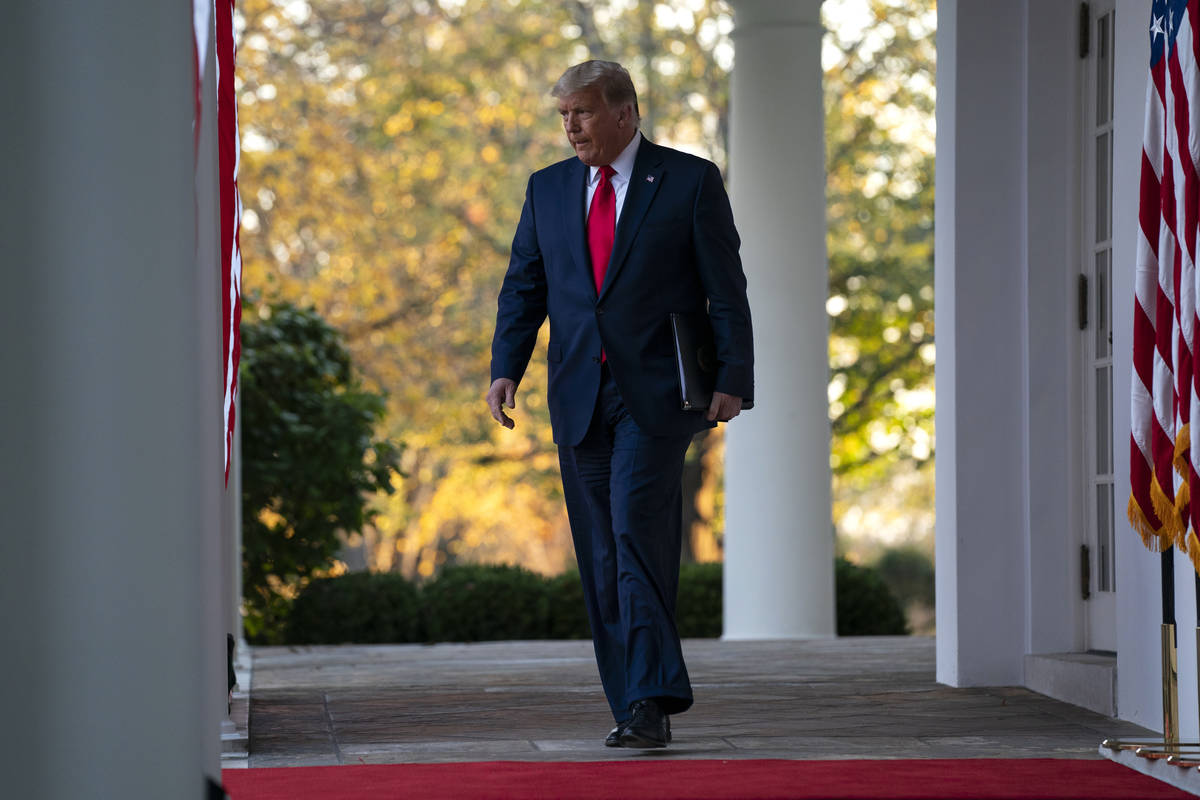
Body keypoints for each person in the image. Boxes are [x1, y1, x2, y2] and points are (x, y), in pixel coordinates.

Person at [485, 60, 753, 748]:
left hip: (656, 394)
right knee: (601, 553)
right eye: (563, 116)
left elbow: (725, 287)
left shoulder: (689, 181)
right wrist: (505, 367)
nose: (571, 127)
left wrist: (733, 376)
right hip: (578, 394)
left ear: (624, 112)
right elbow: (524, 286)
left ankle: (651, 699)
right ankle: (633, 700)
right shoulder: (547, 189)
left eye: (581, 112)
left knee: (635, 531)